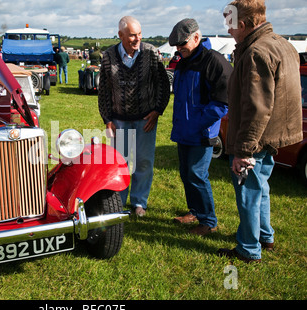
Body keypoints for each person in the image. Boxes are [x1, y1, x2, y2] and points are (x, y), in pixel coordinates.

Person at [218, 0, 303, 262]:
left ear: (242, 25)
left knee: (248, 193)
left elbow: (257, 108)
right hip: (273, 135)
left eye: (231, 27)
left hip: (257, 139)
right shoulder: (283, 44)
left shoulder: (256, 52)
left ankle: (248, 248)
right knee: (260, 187)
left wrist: (243, 151)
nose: (229, 32)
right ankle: (265, 236)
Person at [98, 16, 170, 217]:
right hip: (118, 120)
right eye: (132, 35)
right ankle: (118, 203)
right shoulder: (108, 56)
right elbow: (103, 90)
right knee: (120, 163)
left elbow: (163, 84)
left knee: (143, 162)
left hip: (145, 119)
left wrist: (157, 111)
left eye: (139, 34)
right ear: (120, 35)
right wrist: (107, 119)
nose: (137, 38)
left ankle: (139, 202)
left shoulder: (150, 53)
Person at [169, 19, 233, 236]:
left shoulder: (214, 62)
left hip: (202, 133)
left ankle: (209, 221)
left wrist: (196, 125)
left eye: (182, 44)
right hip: (184, 131)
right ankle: (194, 212)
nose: (179, 49)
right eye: (176, 45)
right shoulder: (184, 60)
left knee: (197, 175)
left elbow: (222, 103)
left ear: (196, 37)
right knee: (186, 175)